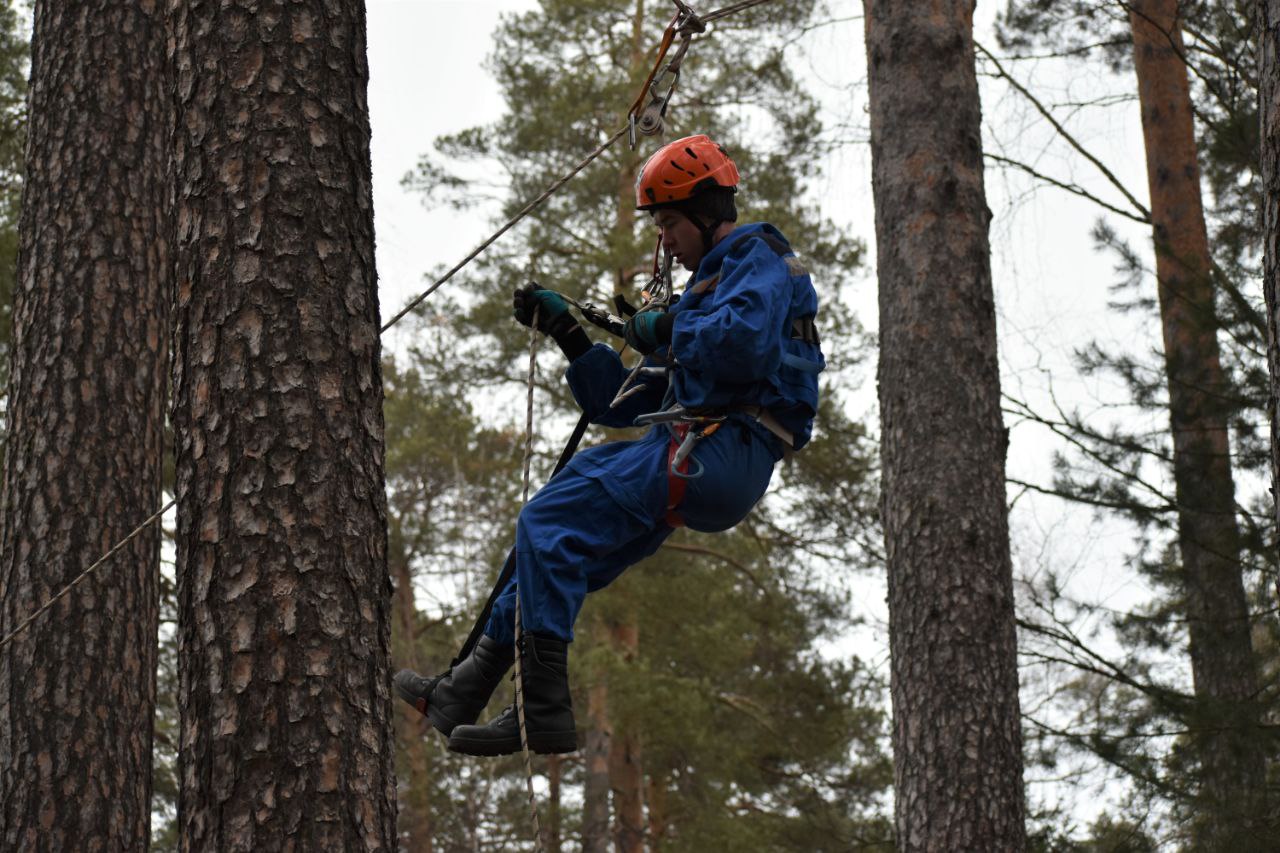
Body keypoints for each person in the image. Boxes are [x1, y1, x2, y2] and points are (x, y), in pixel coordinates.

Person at [393, 134, 823, 756]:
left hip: (724, 449)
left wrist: (672, 326)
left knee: (544, 520)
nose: (666, 241)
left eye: (671, 223)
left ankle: (541, 713)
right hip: (704, 450)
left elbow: (741, 345)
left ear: (708, 212)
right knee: (547, 551)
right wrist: (569, 333)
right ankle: (466, 688)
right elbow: (618, 403)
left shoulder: (753, 256)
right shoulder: (711, 293)